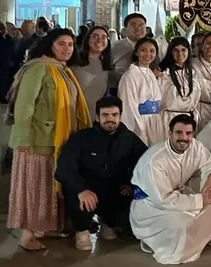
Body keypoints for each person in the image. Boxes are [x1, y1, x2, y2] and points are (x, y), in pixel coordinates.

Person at [131, 114, 211, 263]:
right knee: (182, 225)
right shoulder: (155, 160)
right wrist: (200, 200)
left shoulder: (195, 146)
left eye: (188, 133)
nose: (184, 138)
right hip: (152, 207)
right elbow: (162, 200)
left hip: (179, 194)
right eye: (179, 133)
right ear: (170, 133)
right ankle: (155, 240)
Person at [7, 28, 92, 251]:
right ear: (49, 45)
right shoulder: (38, 68)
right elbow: (25, 106)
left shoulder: (62, 70)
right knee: (34, 188)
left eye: (70, 44)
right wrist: (25, 139)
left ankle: (45, 227)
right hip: (37, 141)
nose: (67, 48)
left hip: (59, 138)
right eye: (61, 43)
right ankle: (27, 234)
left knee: (50, 188)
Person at [55, 95, 148, 251]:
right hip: (87, 190)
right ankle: (81, 230)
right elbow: (64, 169)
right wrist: (81, 189)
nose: (110, 119)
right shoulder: (81, 138)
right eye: (105, 115)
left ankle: (109, 223)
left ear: (120, 117)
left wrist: (131, 184)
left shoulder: (129, 139)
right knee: (78, 197)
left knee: (132, 203)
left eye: (114, 115)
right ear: (97, 117)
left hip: (113, 189)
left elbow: (145, 162)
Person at [117, 38, 165, 146]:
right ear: (136, 52)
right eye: (143, 50)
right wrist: (139, 130)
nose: (148, 54)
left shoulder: (150, 73)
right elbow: (128, 106)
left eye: (152, 51)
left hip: (155, 122)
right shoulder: (129, 76)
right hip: (140, 122)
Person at [110, 13, 166, 88]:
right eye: (133, 25)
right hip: (121, 89)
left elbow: (158, 68)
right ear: (126, 29)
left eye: (141, 25)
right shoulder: (115, 47)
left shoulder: (153, 47)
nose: (138, 28)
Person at [159, 38, 202, 133]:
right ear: (170, 52)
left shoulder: (193, 73)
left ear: (188, 51)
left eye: (183, 50)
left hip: (189, 119)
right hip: (169, 120)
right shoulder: (163, 73)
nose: (180, 54)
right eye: (176, 50)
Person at [71, 25, 113, 122]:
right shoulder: (74, 61)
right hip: (75, 116)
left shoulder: (107, 66)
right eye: (95, 36)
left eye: (104, 37)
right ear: (88, 39)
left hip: (97, 119)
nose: (99, 40)